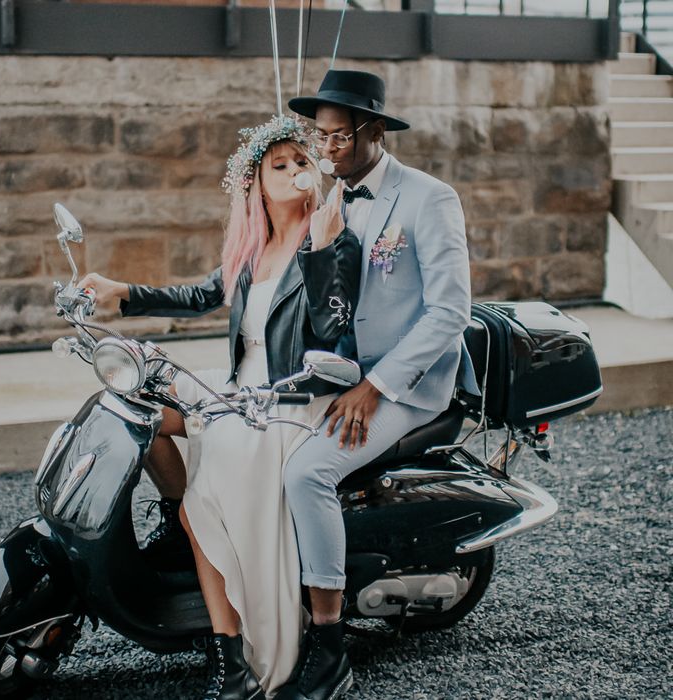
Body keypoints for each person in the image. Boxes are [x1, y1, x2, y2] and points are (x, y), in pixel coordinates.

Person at [78, 114, 361, 700]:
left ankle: (230, 660)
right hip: (239, 384)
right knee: (141, 408)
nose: (292, 172)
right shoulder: (254, 248)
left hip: (289, 398)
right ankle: (184, 522)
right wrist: (121, 291)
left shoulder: (331, 238)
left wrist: (327, 249)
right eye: (278, 165)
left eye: (301, 162)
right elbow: (199, 295)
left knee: (206, 503)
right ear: (255, 183)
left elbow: (332, 329)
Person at [272, 70, 479, 700]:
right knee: (250, 439)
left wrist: (379, 387)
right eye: (321, 134)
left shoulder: (429, 198)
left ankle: (329, 645)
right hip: (343, 374)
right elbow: (331, 307)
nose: (327, 146)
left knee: (306, 472)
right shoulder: (331, 201)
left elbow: (450, 311)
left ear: (375, 129)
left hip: (408, 387)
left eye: (339, 135)